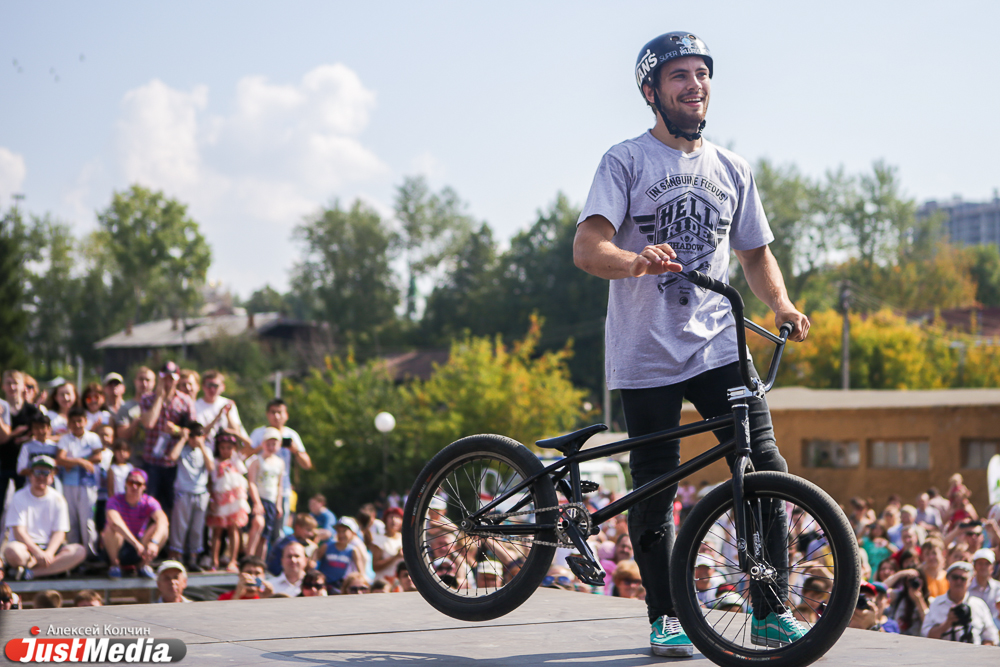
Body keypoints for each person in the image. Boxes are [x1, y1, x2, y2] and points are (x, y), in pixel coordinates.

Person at [572, 31, 810, 658]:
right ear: (652, 91)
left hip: (718, 345)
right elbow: (586, 247)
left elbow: (756, 254)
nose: (694, 84)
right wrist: (633, 261)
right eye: (678, 76)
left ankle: (769, 612)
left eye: (701, 73)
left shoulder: (733, 168)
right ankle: (666, 617)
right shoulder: (624, 161)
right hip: (645, 349)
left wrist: (781, 304)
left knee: (763, 468)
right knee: (654, 486)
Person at [2, 455, 86, 579]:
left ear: (52, 477)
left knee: (79, 551)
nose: (41, 477)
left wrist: (49, 553)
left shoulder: (58, 499)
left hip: (50, 548)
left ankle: (31, 573)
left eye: (46, 473)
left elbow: (60, 532)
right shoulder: (18, 497)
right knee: (11, 551)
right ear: (30, 475)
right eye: (37, 472)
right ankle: (54, 569)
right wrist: (38, 553)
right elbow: (19, 532)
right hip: (26, 549)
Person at [139, 361, 196, 515]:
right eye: (165, 378)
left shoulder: (185, 401)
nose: (168, 381)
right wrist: (159, 397)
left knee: (171, 506)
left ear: (177, 379)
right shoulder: (147, 399)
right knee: (148, 503)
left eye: (171, 378)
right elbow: (148, 423)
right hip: (151, 461)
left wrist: (176, 430)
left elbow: (193, 432)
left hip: (173, 463)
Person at [249, 398, 311, 536]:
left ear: (286, 415)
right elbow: (244, 455)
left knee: (278, 532)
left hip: (281, 491)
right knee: (258, 530)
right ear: (267, 414)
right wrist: (265, 444)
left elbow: (307, 464)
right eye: (273, 412)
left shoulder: (291, 435)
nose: (276, 416)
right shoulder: (259, 433)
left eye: (280, 412)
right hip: (260, 491)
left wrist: (295, 450)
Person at [55, 407, 104, 559]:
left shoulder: (93, 438)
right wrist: (80, 461)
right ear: (68, 423)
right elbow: (60, 459)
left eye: (80, 421)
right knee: (71, 521)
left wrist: (74, 462)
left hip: (87, 484)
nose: (77, 425)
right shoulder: (65, 439)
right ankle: (73, 556)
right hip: (69, 484)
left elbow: (99, 456)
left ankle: (90, 554)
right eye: (73, 422)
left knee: (87, 521)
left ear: (85, 421)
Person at [165, 420, 214, 571]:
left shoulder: (206, 450)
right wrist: (183, 439)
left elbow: (211, 467)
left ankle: (193, 558)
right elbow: (172, 457)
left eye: (198, 435)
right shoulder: (183, 449)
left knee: (197, 528)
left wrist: (202, 446)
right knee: (180, 526)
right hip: (183, 492)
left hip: (201, 493)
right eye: (192, 436)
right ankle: (177, 556)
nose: (195, 439)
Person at [103, 469, 169, 578]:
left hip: (139, 548)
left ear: (144, 487)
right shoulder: (115, 500)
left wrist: (154, 542)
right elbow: (114, 521)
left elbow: (163, 520)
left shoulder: (149, 502)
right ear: (125, 484)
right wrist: (135, 544)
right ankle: (114, 565)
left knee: (162, 529)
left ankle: (143, 566)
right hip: (118, 547)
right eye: (130, 482)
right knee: (111, 528)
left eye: (138, 484)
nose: (134, 486)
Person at [206, 431, 252, 572]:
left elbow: (249, 444)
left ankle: (233, 560)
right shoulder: (214, 462)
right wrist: (211, 498)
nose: (226, 451)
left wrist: (234, 432)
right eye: (223, 447)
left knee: (234, 529)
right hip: (220, 499)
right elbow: (210, 482)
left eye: (229, 447)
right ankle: (214, 560)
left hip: (234, 501)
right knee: (217, 531)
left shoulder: (236, 460)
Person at [922, 561, 998, 645]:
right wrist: (946, 624)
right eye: (955, 577)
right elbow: (925, 635)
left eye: (963, 579)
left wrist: (981, 653)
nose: (958, 581)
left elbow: (991, 637)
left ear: (970, 580)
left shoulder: (979, 605)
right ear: (948, 578)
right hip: (943, 655)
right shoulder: (936, 603)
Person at [247, 427, 285, 557]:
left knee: (265, 535)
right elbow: (251, 482)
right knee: (258, 524)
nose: (271, 446)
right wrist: (257, 502)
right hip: (259, 498)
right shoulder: (257, 461)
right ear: (263, 444)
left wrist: (279, 504)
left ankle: (260, 561)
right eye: (268, 443)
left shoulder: (280, 463)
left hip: (271, 501)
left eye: (274, 444)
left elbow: (280, 485)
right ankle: (249, 556)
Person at [194, 371, 249, 447]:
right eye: (209, 385)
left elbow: (236, 431)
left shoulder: (227, 404)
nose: (212, 389)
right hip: (206, 449)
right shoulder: (195, 405)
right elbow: (201, 433)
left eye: (215, 386)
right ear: (203, 386)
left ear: (222, 387)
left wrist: (227, 415)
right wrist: (218, 416)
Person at [115, 367, 156, 461]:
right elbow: (122, 436)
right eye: (141, 379)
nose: (144, 383)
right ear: (135, 382)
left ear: (154, 383)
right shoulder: (126, 407)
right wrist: (137, 421)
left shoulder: (157, 407)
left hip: (154, 460)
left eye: (148, 380)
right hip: (134, 459)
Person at [316, 516, 365, 593]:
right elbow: (314, 562)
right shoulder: (326, 546)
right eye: (339, 531)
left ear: (353, 533)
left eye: (344, 531)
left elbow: (361, 571)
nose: (341, 534)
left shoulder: (353, 550)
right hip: (324, 585)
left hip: (340, 586)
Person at [968, 548, 1000, 629]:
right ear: (974, 566)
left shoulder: (998, 588)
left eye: (987, 564)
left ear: (992, 567)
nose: (983, 567)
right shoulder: (967, 587)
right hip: (972, 627)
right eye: (980, 563)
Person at [371, 507, 404, 582]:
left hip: (399, 584)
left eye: (397, 517)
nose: (394, 520)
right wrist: (395, 557)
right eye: (391, 517)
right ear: (385, 520)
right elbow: (375, 566)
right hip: (383, 582)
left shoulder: (404, 539)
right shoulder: (378, 540)